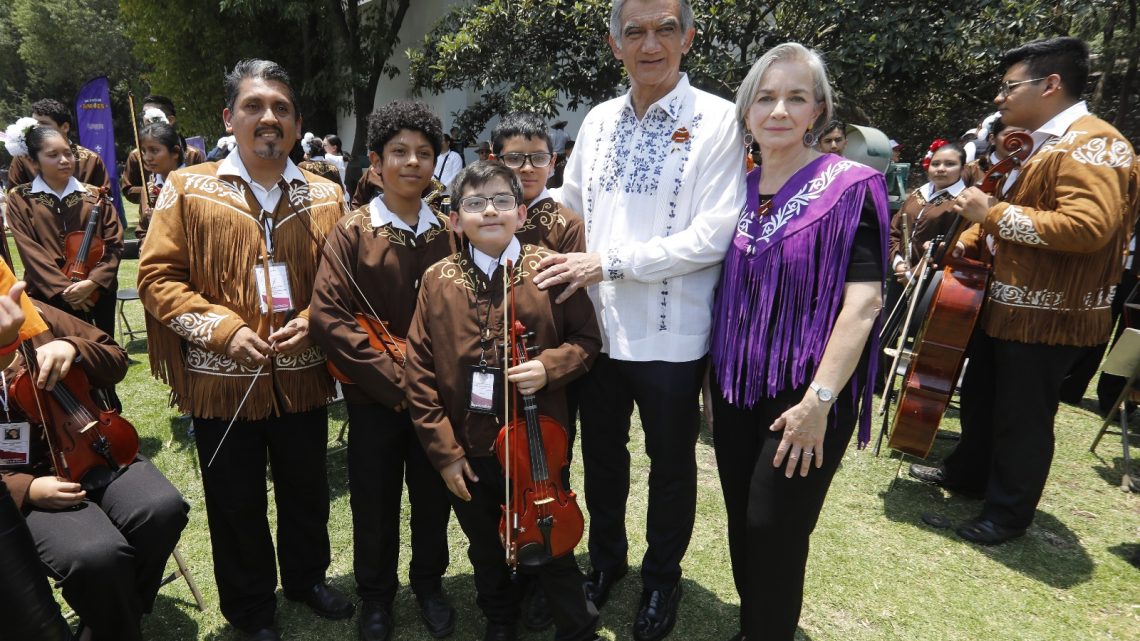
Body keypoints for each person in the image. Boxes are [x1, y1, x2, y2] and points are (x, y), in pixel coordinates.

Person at [533, 2, 745, 639]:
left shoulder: (718, 119)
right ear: (614, 42)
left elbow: (714, 235)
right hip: (596, 331)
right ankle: (607, 562)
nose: (649, 44)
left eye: (664, 30)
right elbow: (569, 203)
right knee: (601, 459)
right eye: (635, 32)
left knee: (670, 465)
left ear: (688, 37)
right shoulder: (598, 120)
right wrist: (504, 214)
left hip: (672, 333)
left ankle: (661, 579)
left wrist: (609, 263)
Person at [137, 59, 353, 641]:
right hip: (222, 379)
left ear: (297, 122)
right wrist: (224, 330)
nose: (268, 118)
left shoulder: (327, 194)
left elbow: (345, 280)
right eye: (254, 106)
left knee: (307, 487)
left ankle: (307, 578)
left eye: (281, 108)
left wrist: (313, 320)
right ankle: (252, 608)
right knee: (235, 503)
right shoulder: (187, 187)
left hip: (304, 373)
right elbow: (157, 277)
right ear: (228, 117)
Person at [909, 37, 1140, 545]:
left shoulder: (1097, 144)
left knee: (1023, 415)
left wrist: (988, 215)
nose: (1000, 98)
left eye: (1010, 86)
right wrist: (970, 237)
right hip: (1003, 304)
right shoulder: (1038, 140)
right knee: (984, 396)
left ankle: (1008, 514)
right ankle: (969, 475)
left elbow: (1088, 226)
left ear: (1051, 84)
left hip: (1049, 314)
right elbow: (998, 217)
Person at [708, 42, 888, 641]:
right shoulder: (732, 188)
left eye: (795, 98)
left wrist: (820, 401)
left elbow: (863, 303)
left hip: (806, 396)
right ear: (747, 110)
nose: (778, 110)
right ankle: (756, 624)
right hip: (734, 386)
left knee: (774, 528)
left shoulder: (849, 186)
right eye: (765, 97)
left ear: (818, 111)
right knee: (740, 517)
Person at [406, 161, 602, 641]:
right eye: (474, 203)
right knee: (484, 543)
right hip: (469, 445)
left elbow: (586, 340)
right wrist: (446, 455)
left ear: (520, 213)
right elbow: (419, 373)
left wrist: (549, 368)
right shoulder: (437, 279)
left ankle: (576, 623)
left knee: (552, 538)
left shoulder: (550, 268)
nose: (489, 210)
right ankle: (499, 616)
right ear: (455, 220)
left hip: (539, 444)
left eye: (501, 201)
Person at [309, 100, 455, 641]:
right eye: (399, 152)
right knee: (374, 499)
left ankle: (430, 583)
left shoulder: (450, 233)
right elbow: (329, 319)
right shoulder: (352, 232)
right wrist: (401, 387)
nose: (412, 162)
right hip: (377, 399)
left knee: (432, 494)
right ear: (375, 162)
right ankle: (376, 597)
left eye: (424, 153)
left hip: (438, 402)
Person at [0, 260, 189, 641]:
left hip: (93, 445)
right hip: (25, 482)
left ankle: (110, 621)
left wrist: (74, 347)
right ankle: (120, 619)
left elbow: (115, 357)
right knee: (98, 556)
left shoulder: (33, 313)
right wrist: (26, 489)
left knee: (162, 508)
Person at [4, 125, 123, 338]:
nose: (64, 160)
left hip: (97, 293)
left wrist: (93, 282)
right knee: (61, 363)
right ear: (33, 161)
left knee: (103, 358)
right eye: (53, 155)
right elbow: (31, 252)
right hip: (47, 296)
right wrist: (65, 290)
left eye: (68, 153)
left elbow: (114, 244)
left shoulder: (96, 195)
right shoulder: (20, 199)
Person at [889, 141, 967, 284]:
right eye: (935, 164)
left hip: (937, 283)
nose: (941, 169)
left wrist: (916, 273)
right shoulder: (917, 194)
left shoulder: (964, 201)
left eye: (950, 164)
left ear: (963, 169)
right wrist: (898, 263)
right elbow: (893, 231)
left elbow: (958, 248)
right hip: (901, 275)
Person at [122, 95, 206, 217]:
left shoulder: (193, 154)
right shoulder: (136, 156)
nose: (147, 158)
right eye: (144, 116)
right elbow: (129, 189)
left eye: (155, 151)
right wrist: (152, 192)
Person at [8, 100, 109, 190]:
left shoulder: (91, 159)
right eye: (33, 124)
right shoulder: (23, 158)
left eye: (43, 123)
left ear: (65, 127)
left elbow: (104, 198)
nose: (35, 129)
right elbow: (15, 198)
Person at [132, 121, 204, 243]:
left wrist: (161, 218)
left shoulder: (197, 184)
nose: (147, 158)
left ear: (175, 152)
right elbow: (143, 230)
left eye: (154, 151)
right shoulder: (149, 189)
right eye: (144, 151)